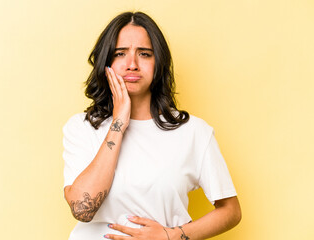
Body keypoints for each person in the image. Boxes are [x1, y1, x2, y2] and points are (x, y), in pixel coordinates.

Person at [62, 11, 241, 240]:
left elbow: (231, 211)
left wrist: (172, 236)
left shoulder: (193, 132)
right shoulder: (82, 128)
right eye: (120, 53)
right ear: (106, 62)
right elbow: (82, 209)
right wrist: (118, 122)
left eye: (145, 54)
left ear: (159, 64)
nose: (132, 65)